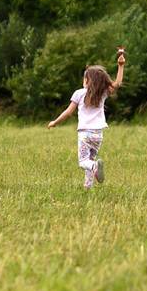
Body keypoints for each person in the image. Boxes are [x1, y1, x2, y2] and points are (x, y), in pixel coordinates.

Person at [47, 49, 126, 189]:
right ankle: (88, 187)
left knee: (84, 161)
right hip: (98, 135)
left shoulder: (79, 93)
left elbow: (68, 112)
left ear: (87, 80)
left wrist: (55, 122)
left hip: (85, 134)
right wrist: (121, 66)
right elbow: (117, 84)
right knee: (90, 160)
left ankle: (95, 167)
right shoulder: (103, 93)